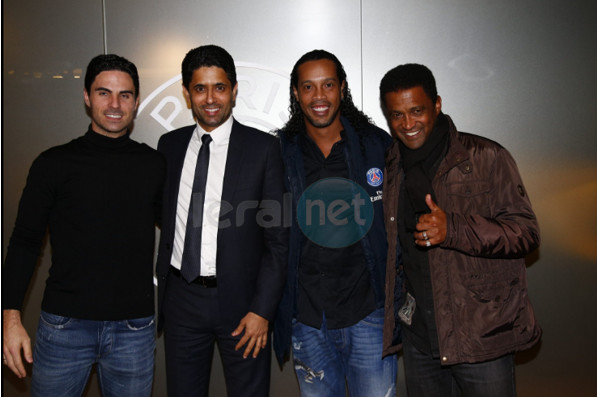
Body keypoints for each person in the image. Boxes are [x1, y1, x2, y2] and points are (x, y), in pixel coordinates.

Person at [2, 54, 165, 396]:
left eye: (125, 95)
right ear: (87, 97)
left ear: (136, 101)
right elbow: (24, 242)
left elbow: (180, 232)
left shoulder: (154, 164)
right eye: (104, 93)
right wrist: (10, 319)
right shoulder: (53, 164)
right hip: (64, 326)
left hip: (134, 329)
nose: (115, 104)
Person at [379, 63, 542, 397]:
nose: (407, 124)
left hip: (480, 336)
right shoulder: (392, 165)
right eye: (396, 115)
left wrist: (452, 228)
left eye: (417, 111)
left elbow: (526, 233)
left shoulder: (485, 156)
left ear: (437, 105)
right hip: (420, 339)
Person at [156, 44, 288, 397]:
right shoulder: (168, 146)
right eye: (200, 88)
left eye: (220, 87)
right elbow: (163, 216)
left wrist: (262, 310)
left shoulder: (263, 148)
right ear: (187, 94)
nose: (210, 98)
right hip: (181, 300)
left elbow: (278, 241)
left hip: (243, 305)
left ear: (233, 90)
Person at [272, 49, 399, 397]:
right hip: (308, 317)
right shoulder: (281, 152)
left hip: (369, 313)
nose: (319, 97)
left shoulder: (377, 146)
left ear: (342, 88)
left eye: (327, 85)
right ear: (296, 94)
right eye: (308, 87)